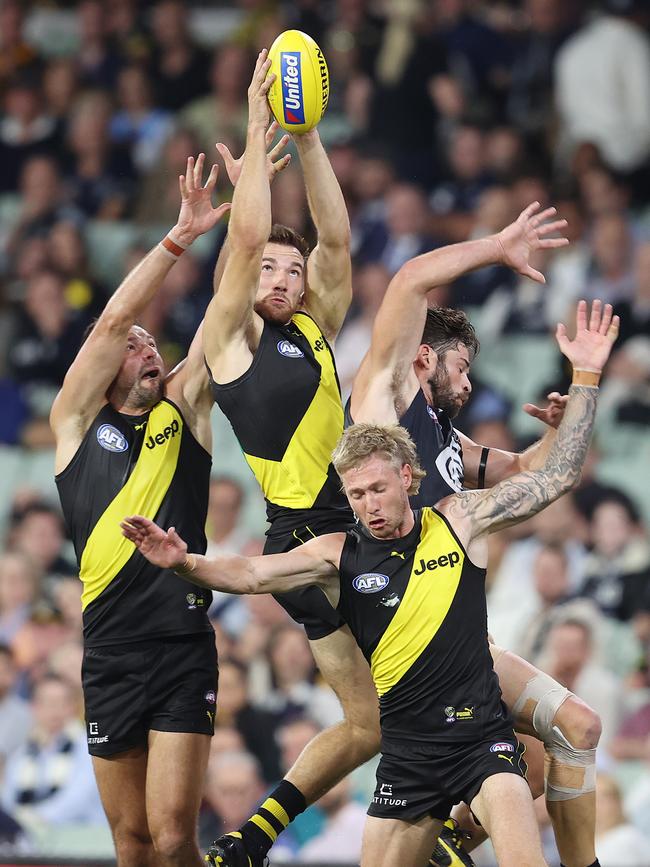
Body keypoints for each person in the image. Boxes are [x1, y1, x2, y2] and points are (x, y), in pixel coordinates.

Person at [122, 299, 618, 867]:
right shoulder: (347, 528)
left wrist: (584, 380)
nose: (368, 505)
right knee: (375, 728)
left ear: (408, 478)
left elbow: (549, 472)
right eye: (355, 496)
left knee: (563, 738)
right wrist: (185, 561)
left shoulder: (458, 505)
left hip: (478, 737)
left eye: (377, 491)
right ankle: (436, 846)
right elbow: (251, 572)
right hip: (409, 751)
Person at [349, 227, 606, 867]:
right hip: (401, 636)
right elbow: (408, 279)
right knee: (508, 759)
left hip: (461, 641)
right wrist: (500, 245)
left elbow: (530, 472)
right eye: (462, 367)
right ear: (424, 359)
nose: (468, 385)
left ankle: (470, 846)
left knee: (577, 730)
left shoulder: (442, 437)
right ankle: (452, 839)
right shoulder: (389, 403)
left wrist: (571, 411)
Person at [201, 50, 370, 867]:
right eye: (268, 265)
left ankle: (253, 836)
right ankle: (451, 822)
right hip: (304, 540)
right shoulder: (228, 341)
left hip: (359, 525)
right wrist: (257, 125)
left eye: (290, 268)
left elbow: (335, 236)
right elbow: (240, 243)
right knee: (417, 695)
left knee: (372, 719)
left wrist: (304, 137)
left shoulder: (315, 325)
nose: (278, 274)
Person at [49, 150, 231, 867]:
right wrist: (175, 237)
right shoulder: (73, 425)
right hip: (109, 655)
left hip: (182, 648)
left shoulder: (184, 407)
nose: (146, 347)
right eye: (134, 346)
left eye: (154, 342)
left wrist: (235, 223)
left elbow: (227, 308)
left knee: (172, 834)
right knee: (128, 840)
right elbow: (112, 320)